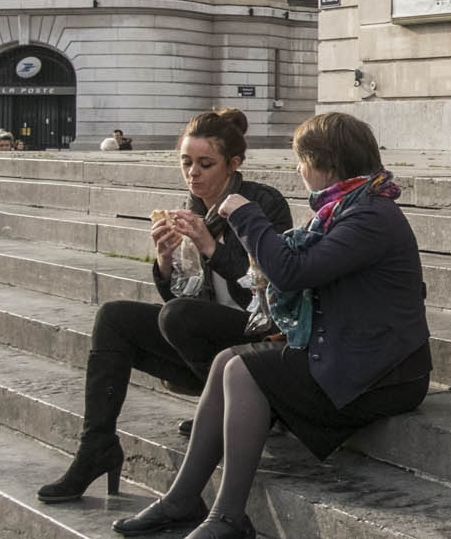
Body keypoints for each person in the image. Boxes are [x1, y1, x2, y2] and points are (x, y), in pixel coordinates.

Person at [112, 113, 430, 539]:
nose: (299, 170)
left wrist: (247, 214)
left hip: (384, 373)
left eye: (302, 160)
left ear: (324, 163)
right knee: (228, 359)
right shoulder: (348, 207)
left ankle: (227, 517)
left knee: (244, 368)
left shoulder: (372, 215)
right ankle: (183, 498)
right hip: (348, 352)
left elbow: (291, 272)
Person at [37, 109, 292, 507]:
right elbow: (181, 297)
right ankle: (96, 448)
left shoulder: (262, 203)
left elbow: (270, 291)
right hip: (207, 347)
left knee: (179, 317)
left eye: (205, 164)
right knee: (114, 317)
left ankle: (253, 409)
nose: (193, 173)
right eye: (186, 162)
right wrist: (165, 262)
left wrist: (210, 246)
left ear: (234, 164)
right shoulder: (190, 204)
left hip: (258, 339)